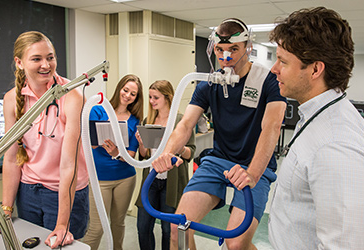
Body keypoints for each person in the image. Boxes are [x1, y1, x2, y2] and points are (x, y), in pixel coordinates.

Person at [152, 18, 287, 250]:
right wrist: (167, 153)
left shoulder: (268, 81)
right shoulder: (209, 83)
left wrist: (252, 174)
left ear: (248, 48)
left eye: (234, 49)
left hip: (254, 165)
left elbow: (272, 127)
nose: (226, 57)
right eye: (220, 50)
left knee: (235, 244)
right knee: (178, 228)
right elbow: (185, 125)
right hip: (218, 160)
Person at [268, 7, 364, 249]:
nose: (274, 69)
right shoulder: (317, 115)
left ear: (315, 69)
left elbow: (344, 245)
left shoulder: (334, 143)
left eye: (283, 61)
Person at [0, 31, 89, 248]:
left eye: (50, 57)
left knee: (62, 245)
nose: (46, 64)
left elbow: (68, 164)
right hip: (28, 191)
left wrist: (63, 223)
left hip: (65, 191)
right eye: (36, 59)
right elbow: (11, 158)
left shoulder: (71, 96)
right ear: (19, 62)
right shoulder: (11, 99)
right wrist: (6, 209)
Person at [83, 74, 143, 250]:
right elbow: (90, 143)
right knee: (97, 227)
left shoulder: (134, 120)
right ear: (119, 89)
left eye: (133, 94)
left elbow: (131, 154)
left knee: (118, 223)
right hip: (99, 179)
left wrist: (117, 153)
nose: (127, 95)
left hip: (125, 178)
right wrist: (101, 140)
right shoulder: (97, 110)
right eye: (126, 90)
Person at [134, 80, 196, 250]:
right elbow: (145, 155)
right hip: (151, 180)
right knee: (143, 227)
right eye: (150, 97)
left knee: (168, 230)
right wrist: (141, 143)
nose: (152, 101)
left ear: (168, 98)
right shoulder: (149, 120)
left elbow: (191, 152)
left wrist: (177, 146)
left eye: (156, 97)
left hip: (172, 182)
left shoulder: (181, 121)